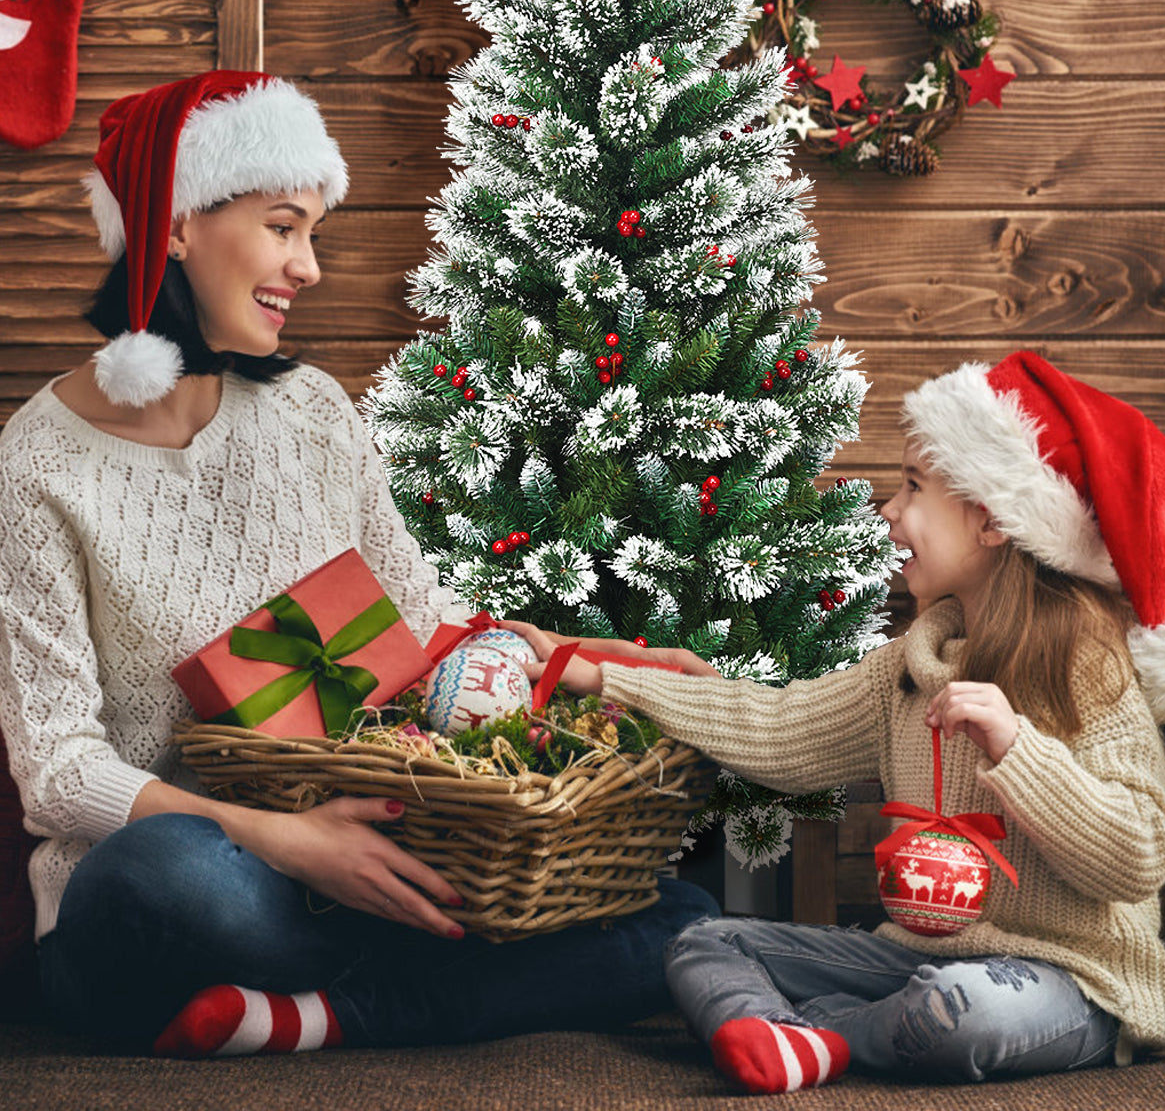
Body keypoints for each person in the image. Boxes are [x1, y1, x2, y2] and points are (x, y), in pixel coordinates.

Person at [0, 70, 717, 1058]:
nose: (309, 267)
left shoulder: (311, 412)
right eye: (285, 226)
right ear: (172, 226)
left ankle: (314, 1017)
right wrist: (283, 841)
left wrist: (594, 666)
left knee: (684, 913)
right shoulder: (38, 463)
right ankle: (426, 987)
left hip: (353, 872)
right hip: (201, 892)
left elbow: (421, 631)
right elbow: (58, 773)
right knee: (164, 870)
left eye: (314, 236)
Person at [508, 351, 1165, 1093]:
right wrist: (603, 676)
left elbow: (1139, 857)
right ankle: (817, 1036)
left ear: (993, 517)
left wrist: (1016, 748)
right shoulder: (906, 666)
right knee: (704, 942)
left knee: (965, 1011)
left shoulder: (1086, 671)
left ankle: (816, 1035)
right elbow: (775, 727)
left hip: (1070, 979)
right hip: (923, 958)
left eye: (913, 487)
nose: (890, 511)